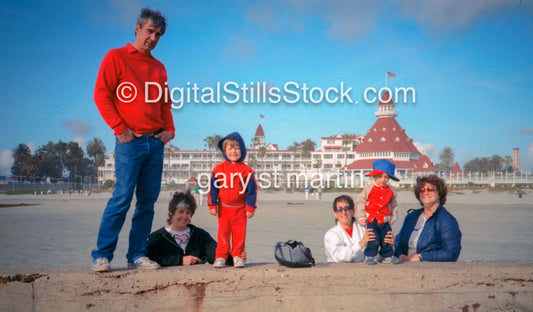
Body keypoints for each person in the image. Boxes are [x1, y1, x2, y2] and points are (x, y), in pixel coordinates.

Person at [91, 8, 175, 272]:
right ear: (137, 29)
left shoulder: (159, 67)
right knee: (122, 197)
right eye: (149, 31)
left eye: (158, 34)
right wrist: (119, 128)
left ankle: (137, 255)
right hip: (130, 143)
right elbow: (101, 95)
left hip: (155, 143)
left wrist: (169, 131)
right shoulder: (116, 57)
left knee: (147, 203)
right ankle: (102, 255)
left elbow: (165, 104)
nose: (153, 38)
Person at [147, 191, 235, 267]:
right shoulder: (157, 237)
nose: (184, 216)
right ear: (171, 213)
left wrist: (234, 257)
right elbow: (150, 259)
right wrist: (180, 260)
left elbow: (215, 254)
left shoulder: (200, 235)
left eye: (188, 213)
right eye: (181, 211)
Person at [208, 132, 257, 268]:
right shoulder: (218, 170)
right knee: (223, 234)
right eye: (230, 149)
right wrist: (212, 205)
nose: (234, 151)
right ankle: (221, 256)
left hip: (240, 209)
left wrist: (250, 207)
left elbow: (251, 191)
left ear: (242, 150)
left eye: (237, 148)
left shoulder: (247, 171)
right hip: (223, 208)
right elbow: (212, 189)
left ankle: (238, 256)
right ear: (224, 151)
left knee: (239, 234)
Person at [394, 175, 462, 262]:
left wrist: (421, 257)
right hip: (406, 266)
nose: (425, 193)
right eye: (422, 190)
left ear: (439, 193)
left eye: (430, 189)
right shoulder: (411, 217)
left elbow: (451, 253)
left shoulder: (447, 220)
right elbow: (398, 241)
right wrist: (400, 254)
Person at [324, 195, 395, 263]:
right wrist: (361, 244)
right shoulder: (331, 234)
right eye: (339, 209)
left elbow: (375, 257)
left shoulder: (365, 229)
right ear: (335, 213)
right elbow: (338, 257)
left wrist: (387, 246)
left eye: (347, 208)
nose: (344, 212)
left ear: (353, 211)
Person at [356, 159, 401, 265]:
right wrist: (361, 217)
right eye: (380, 176)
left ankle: (387, 256)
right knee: (373, 237)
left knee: (387, 237)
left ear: (389, 178)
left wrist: (394, 217)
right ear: (374, 177)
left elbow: (394, 205)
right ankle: (370, 256)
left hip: (385, 220)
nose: (383, 179)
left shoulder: (391, 191)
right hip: (372, 219)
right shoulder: (369, 189)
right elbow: (361, 202)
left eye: (386, 177)